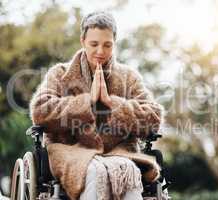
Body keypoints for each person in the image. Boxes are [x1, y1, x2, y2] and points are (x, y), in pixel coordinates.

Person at [30, 11, 164, 200]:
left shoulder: (129, 77)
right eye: (94, 44)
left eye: (107, 45)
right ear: (82, 41)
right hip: (70, 151)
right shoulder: (59, 74)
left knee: (127, 173)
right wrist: (87, 101)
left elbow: (154, 117)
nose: (100, 51)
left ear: (114, 44)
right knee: (93, 172)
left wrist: (112, 104)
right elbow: (40, 111)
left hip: (120, 152)